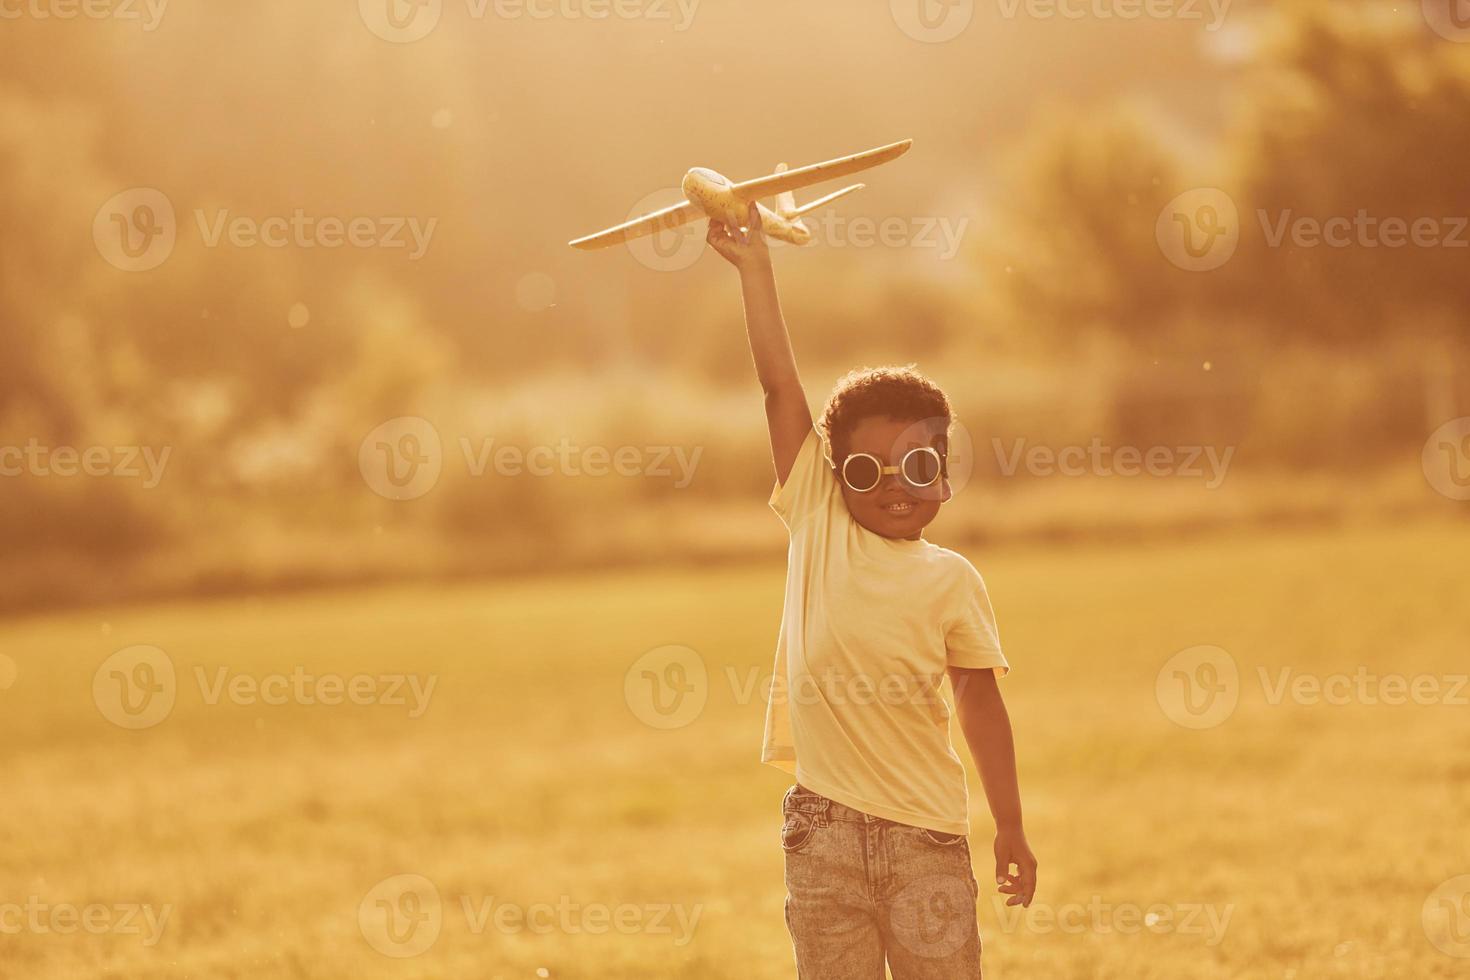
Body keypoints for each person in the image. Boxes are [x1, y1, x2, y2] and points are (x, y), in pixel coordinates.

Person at [707, 203, 1037, 979]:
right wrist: (757, 268)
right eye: (866, 470)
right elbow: (780, 390)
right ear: (834, 478)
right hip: (821, 835)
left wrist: (1011, 825)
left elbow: (980, 702)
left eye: (918, 467)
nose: (894, 486)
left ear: (947, 472)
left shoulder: (953, 580)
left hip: (928, 841)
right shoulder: (819, 523)